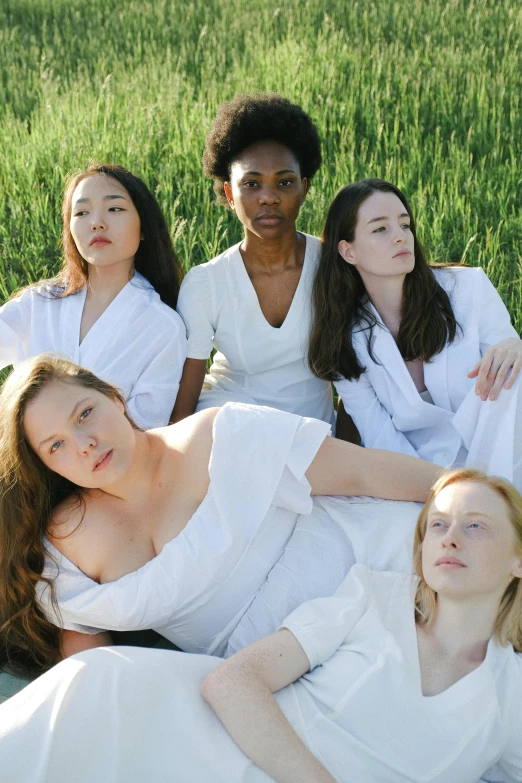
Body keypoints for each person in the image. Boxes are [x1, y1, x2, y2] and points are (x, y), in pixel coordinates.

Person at [1, 469, 521, 783]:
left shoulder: (511, 694)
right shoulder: (374, 596)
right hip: (168, 724)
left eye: (475, 526)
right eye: (438, 524)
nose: (450, 538)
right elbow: (230, 682)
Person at [0, 354, 440, 678]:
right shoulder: (68, 537)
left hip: (363, 559)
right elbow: (89, 664)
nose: (83, 443)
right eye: (55, 445)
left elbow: (360, 473)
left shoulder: (217, 435)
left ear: (114, 398)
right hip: (271, 664)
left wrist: (469, 494)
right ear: (46, 466)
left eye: (85, 414)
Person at [309, 178, 522, 486]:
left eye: (404, 225)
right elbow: (380, 436)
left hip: (505, 454)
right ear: (347, 251)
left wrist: (516, 346)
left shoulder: (468, 288)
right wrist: (443, 489)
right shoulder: (345, 340)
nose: (400, 237)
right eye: (381, 229)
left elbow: (510, 369)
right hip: (423, 478)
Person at [172, 93, 337, 427]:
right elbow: (187, 392)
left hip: (315, 432)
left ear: (303, 189)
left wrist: (350, 454)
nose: (269, 197)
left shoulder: (335, 266)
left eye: (285, 182)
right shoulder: (206, 283)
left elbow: (359, 379)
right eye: (251, 183)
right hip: (232, 423)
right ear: (230, 194)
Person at [0, 163, 187, 429]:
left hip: (104, 465)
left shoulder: (164, 327)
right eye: (82, 212)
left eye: (114, 209)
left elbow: (143, 431)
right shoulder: (40, 301)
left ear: (144, 227)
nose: (96, 223)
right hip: (21, 460)